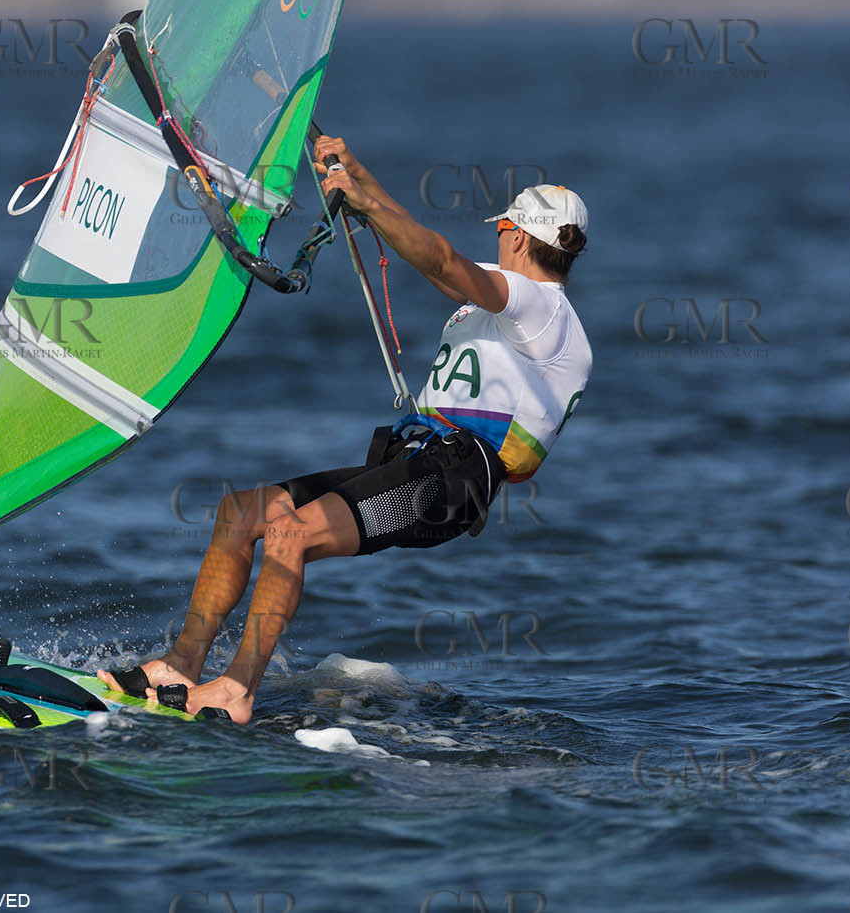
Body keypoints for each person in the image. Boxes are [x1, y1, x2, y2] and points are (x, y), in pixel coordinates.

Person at [97, 135, 593, 723]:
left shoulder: (542, 308)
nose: (496, 238)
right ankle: (180, 663)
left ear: (516, 234)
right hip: (419, 460)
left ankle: (236, 690)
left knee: (290, 535)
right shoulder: (511, 299)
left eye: (501, 229)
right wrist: (356, 177)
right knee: (243, 513)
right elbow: (423, 248)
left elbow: (441, 259)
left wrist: (365, 199)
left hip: (454, 480)